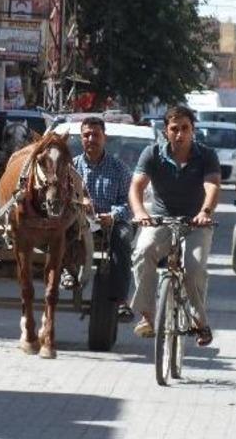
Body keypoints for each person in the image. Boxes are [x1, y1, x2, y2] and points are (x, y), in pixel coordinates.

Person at [129, 106, 221, 346]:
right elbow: (136, 187)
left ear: (193, 130)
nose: (180, 134)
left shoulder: (207, 155)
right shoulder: (152, 154)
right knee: (143, 251)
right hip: (161, 219)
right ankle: (148, 316)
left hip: (196, 222)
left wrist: (205, 212)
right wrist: (140, 213)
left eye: (185, 129)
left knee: (194, 268)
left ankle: (200, 322)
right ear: (166, 131)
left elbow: (212, 186)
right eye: (174, 129)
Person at [69, 116, 135, 322]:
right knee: (60, 230)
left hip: (111, 222)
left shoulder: (119, 169)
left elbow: (129, 203)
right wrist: (80, 203)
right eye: (86, 135)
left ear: (104, 137)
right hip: (79, 221)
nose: (91, 139)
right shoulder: (71, 168)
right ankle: (67, 272)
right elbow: (60, 198)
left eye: (95, 135)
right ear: (81, 139)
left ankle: (121, 301)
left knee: (123, 239)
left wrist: (113, 216)